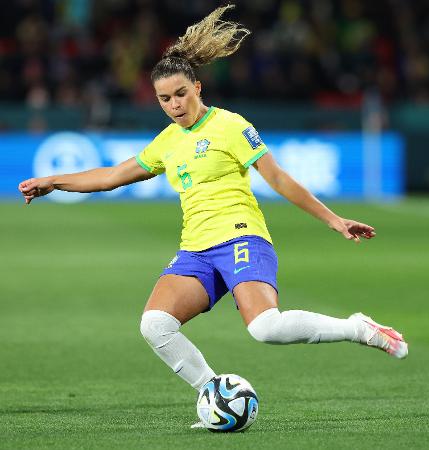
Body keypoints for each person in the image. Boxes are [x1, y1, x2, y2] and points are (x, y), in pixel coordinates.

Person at [18, 5, 408, 428]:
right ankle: (216, 395)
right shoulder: (167, 141)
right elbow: (112, 175)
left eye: (180, 94)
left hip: (241, 237)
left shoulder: (230, 126)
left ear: (198, 86)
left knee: (266, 329)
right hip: (196, 251)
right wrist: (54, 181)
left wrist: (333, 219)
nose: (174, 105)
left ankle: (357, 327)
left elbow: (277, 178)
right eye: (164, 98)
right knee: (155, 325)